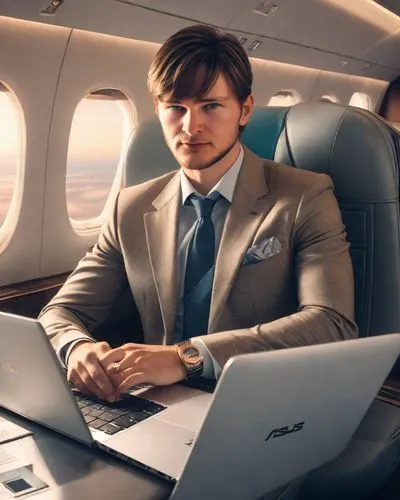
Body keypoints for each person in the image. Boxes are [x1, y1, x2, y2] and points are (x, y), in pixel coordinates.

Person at [39, 24, 357, 405]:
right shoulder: (132, 207)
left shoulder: (303, 195)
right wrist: (76, 349)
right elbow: (60, 312)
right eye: (176, 108)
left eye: (210, 106)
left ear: (245, 109)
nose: (191, 127)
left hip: (259, 403)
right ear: (158, 110)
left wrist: (186, 357)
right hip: (155, 403)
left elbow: (331, 323)